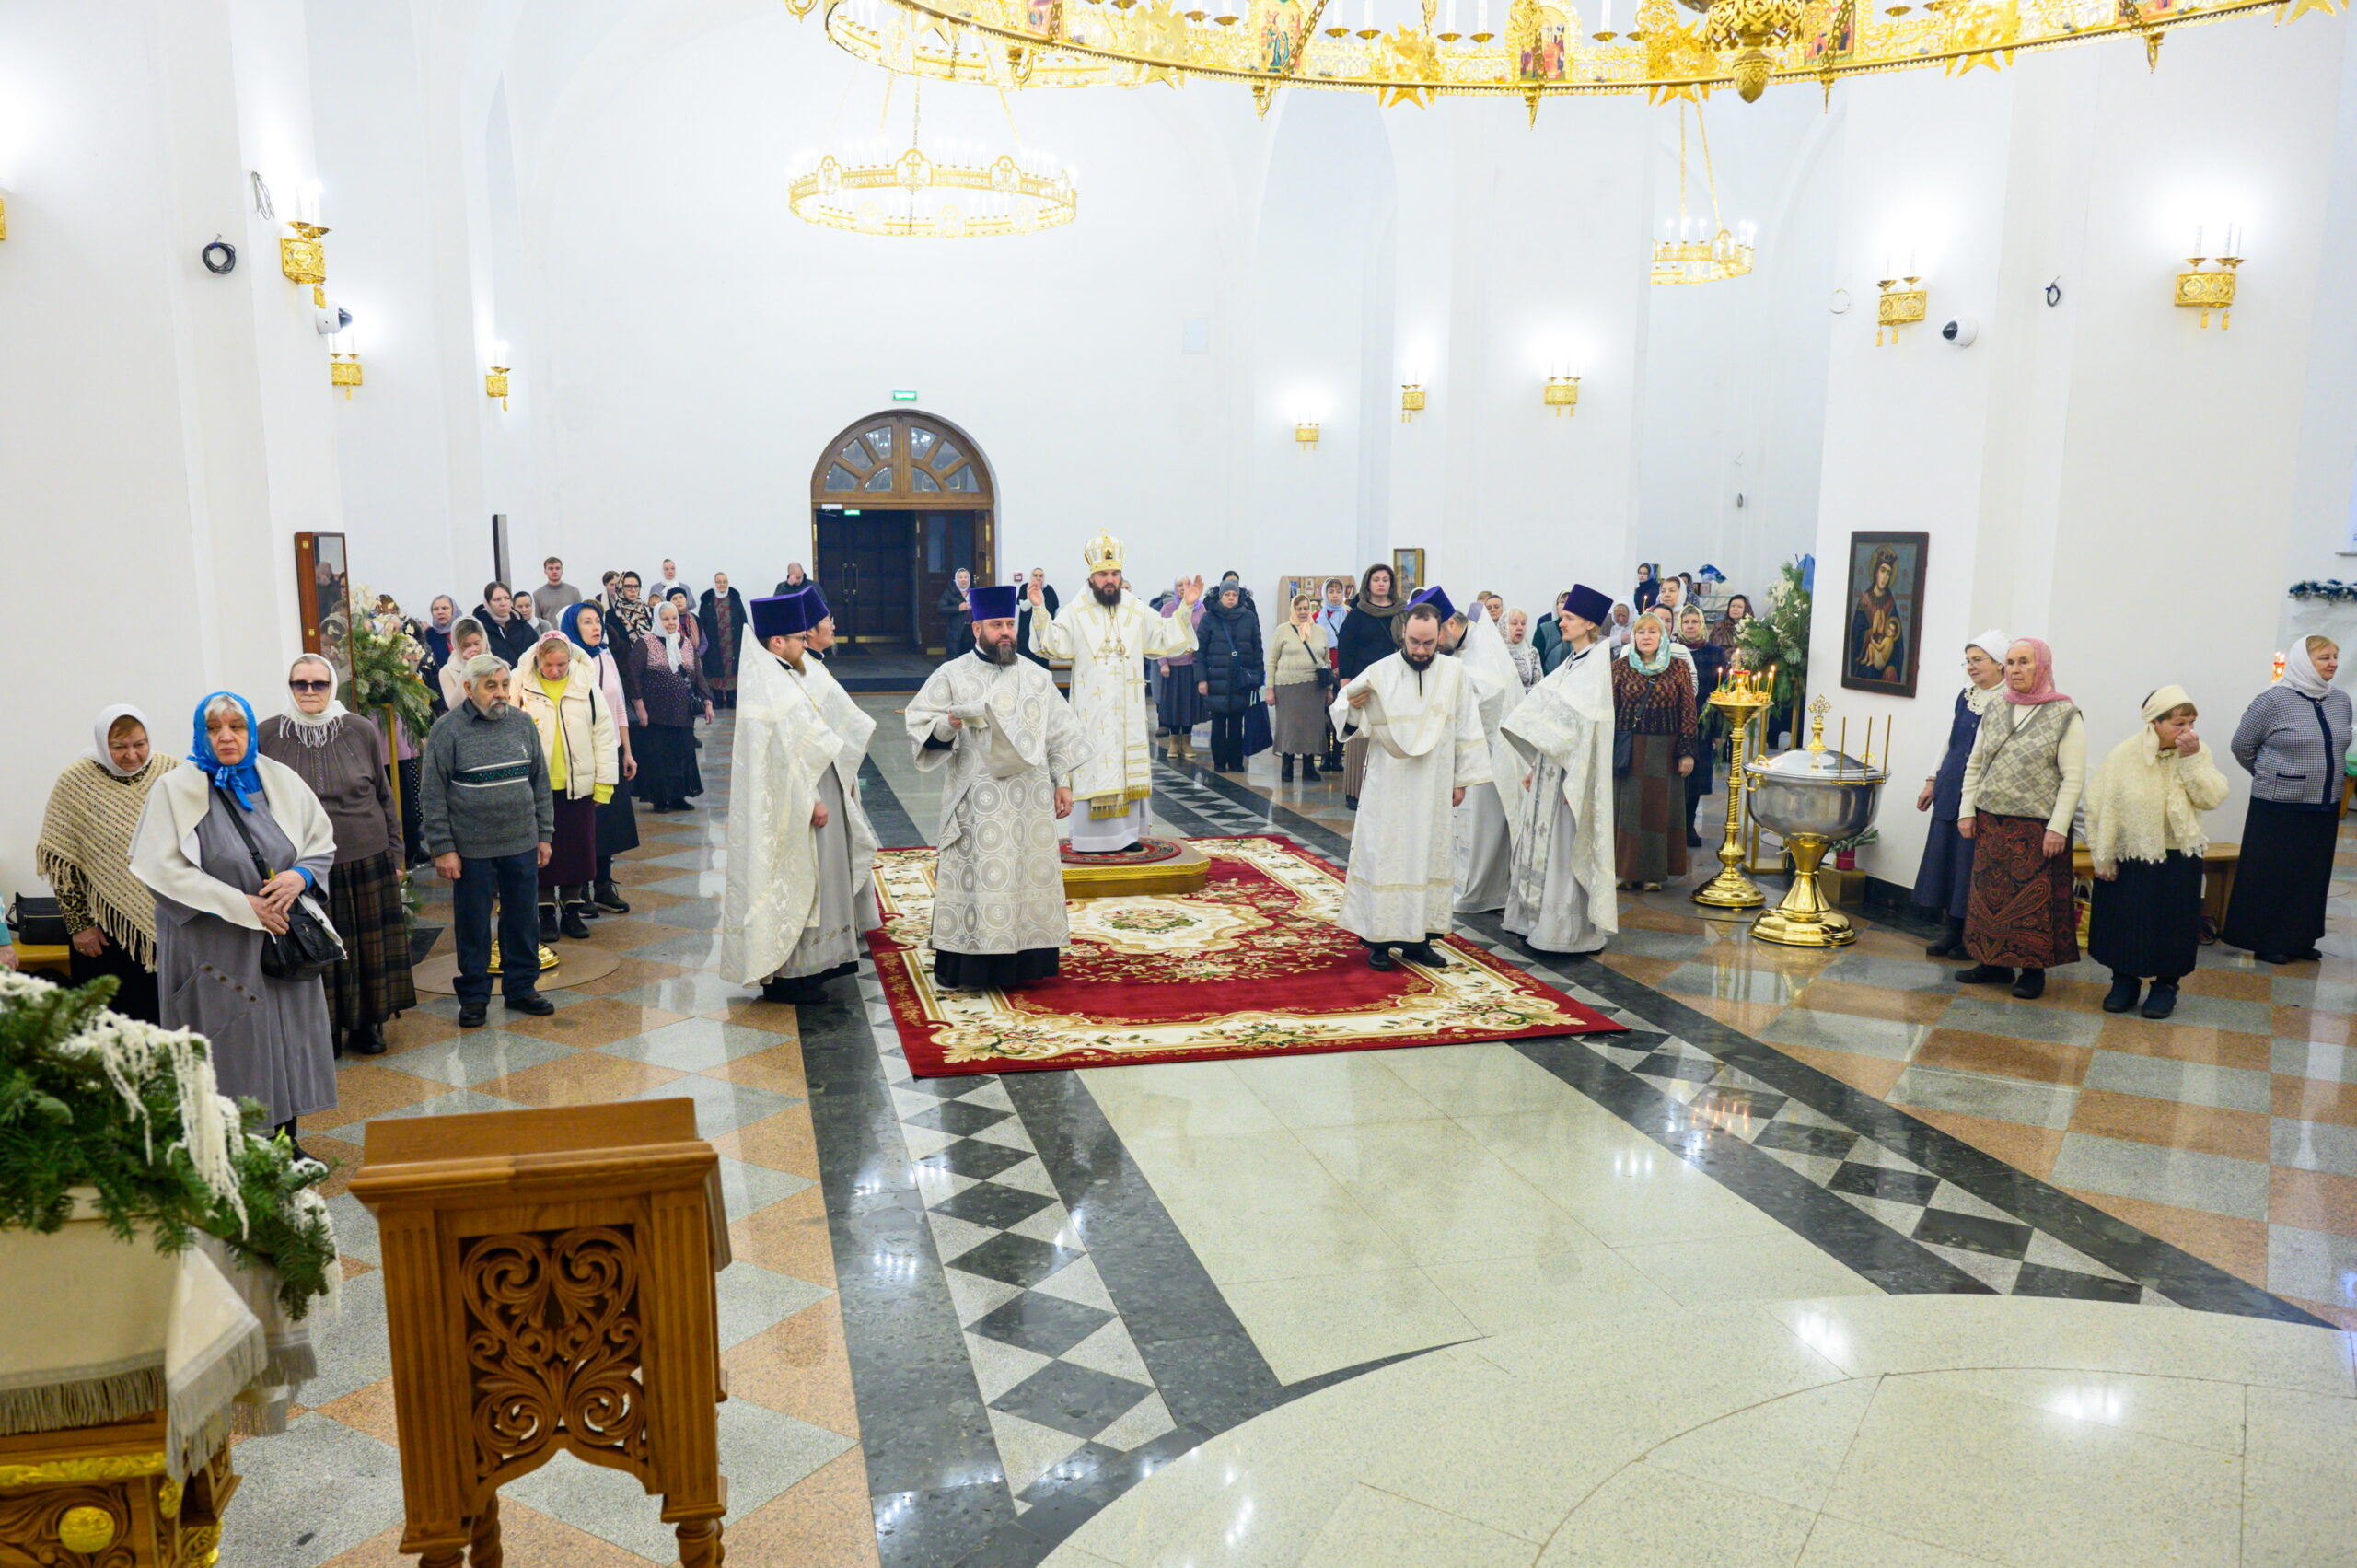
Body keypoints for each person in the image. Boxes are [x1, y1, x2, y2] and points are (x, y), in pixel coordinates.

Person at [130, 692, 337, 1148]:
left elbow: (319, 842)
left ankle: (286, 1141)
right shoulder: (174, 790)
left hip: (280, 940)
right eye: (214, 728)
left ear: (250, 731)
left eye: (236, 726)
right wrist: (243, 906)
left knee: (287, 1039)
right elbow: (160, 871)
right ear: (200, 734)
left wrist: (299, 877)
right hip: (214, 948)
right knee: (235, 1046)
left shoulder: (279, 779)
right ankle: (235, 1151)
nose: (226, 737)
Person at [908, 584, 1089, 989]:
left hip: (1029, 802)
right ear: (977, 629)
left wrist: (1063, 782)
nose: (1006, 632)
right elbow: (920, 723)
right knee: (982, 877)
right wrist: (948, 724)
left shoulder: (1037, 677)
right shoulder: (952, 674)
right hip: (977, 803)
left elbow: (1061, 733)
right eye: (996, 625)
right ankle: (973, 966)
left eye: (1010, 624)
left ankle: (1027, 964)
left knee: (1025, 874)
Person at [725, 590, 882, 1005]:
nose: (804, 643)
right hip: (794, 803)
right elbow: (783, 756)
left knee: (819, 878)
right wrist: (811, 799)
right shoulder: (770, 686)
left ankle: (817, 966)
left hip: (813, 787)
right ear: (778, 641)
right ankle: (792, 976)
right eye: (798, 638)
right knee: (796, 881)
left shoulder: (786, 673)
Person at [255, 656, 417, 1056]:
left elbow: (383, 795)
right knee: (316, 945)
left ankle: (367, 1024)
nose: (310, 692)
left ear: (332, 687)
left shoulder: (360, 729)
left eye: (319, 684)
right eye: (301, 684)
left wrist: (397, 854)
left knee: (366, 948)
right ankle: (323, 1028)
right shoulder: (268, 734)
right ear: (290, 687)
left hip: (366, 856)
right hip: (304, 865)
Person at [1330, 598, 1491, 969]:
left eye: (1428, 643)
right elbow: (1343, 709)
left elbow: (1466, 725)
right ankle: (1379, 941)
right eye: (1414, 642)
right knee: (1387, 855)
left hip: (1434, 783)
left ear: (1439, 637)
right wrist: (1355, 705)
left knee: (1428, 855)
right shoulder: (1381, 671)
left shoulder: (1454, 673)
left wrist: (1461, 779)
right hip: (1390, 785)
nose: (1420, 650)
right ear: (1403, 634)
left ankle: (1420, 941)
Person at [1025, 534, 1202, 851]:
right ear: (1092, 577)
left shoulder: (1134, 608)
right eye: (1104, 574)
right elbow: (1053, 643)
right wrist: (1039, 610)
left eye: (1115, 573)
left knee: (1125, 766)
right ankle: (1091, 839)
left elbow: (1165, 636)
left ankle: (1126, 836)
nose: (1110, 580)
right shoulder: (1077, 610)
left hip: (1128, 711)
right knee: (1093, 765)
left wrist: (1186, 607)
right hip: (1091, 712)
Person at [422, 656, 556, 1027]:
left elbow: (540, 783)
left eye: (504, 685)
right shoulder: (447, 729)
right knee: (473, 923)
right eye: (491, 686)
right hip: (471, 847)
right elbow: (432, 793)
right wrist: (443, 847)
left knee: (523, 919)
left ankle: (522, 988)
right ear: (468, 688)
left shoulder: (522, 723)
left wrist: (544, 835)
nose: (500, 693)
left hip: (521, 840)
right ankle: (474, 997)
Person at [2085, 686, 2228, 1020]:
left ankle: (2166, 987)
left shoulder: (2197, 752)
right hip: (2132, 853)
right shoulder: (2124, 754)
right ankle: (2124, 982)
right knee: (2127, 920)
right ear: (2154, 722)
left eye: (2192, 722)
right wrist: (2103, 855)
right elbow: (2100, 805)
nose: (2188, 731)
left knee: (2173, 923)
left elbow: (2211, 798)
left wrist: (2191, 760)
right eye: (2179, 723)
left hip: (2180, 855)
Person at [1955, 638, 2084, 999]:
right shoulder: (1996, 706)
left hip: (2037, 827)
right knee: (1989, 898)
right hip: (1992, 823)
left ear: (2042, 666)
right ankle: (1992, 963)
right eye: (2010, 662)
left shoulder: (2065, 714)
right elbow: (1976, 762)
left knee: (2032, 905)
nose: (2015, 670)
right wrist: (1967, 810)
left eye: (2024, 662)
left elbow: (2073, 777)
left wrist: (2058, 827)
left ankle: (2032, 971)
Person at [37, 705, 180, 1022]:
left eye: (140, 744)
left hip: (171, 921)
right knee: (113, 1023)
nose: (132, 755)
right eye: (119, 746)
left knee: (170, 1020)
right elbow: (62, 862)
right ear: (103, 743)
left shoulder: (172, 773)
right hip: (104, 931)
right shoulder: (76, 782)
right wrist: (79, 926)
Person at [2222, 635, 2353, 964]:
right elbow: (2242, 746)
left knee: (2310, 876)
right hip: (2278, 805)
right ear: (2303, 662)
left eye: (2335, 656)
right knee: (2273, 875)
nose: (2333, 663)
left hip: (2324, 804)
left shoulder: (2340, 700)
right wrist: (2272, 776)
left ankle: (2299, 939)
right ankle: (2266, 941)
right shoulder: (2273, 700)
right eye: (2324, 657)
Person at [1503, 585, 1619, 956]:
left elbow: (1583, 726)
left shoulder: (1596, 664)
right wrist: (1536, 763)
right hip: (1550, 769)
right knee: (1542, 845)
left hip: (1572, 775)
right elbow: (1546, 711)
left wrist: (1576, 775)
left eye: (1568, 618)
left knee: (1563, 848)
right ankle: (1535, 920)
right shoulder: (1572, 661)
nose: (1561, 623)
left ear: (1589, 623)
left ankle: (1564, 930)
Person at [1911, 631, 2010, 958]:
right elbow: (1951, 739)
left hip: (1982, 792)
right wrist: (1932, 779)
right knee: (1947, 860)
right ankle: (1951, 930)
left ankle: (1972, 934)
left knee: (1970, 863)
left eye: (1978, 660)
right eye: (1968, 661)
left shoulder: (2010, 700)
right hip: (1952, 783)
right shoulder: (1967, 695)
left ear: (2000, 663)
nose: (1971, 666)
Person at [516, 633, 619, 943]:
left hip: (578, 786)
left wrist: (604, 784)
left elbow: (603, 734)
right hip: (537, 789)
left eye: (562, 664)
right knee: (542, 854)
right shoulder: (520, 684)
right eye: (549, 665)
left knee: (577, 852)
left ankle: (572, 910)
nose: (555, 671)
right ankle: (545, 913)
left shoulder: (586, 684)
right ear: (538, 660)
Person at [559, 602, 639, 914]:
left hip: (611, 749)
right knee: (583, 823)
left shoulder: (606, 655)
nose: (595, 627)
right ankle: (579, 890)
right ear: (573, 626)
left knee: (610, 822)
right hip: (580, 753)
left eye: (597, 621)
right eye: (587, 622)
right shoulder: (567, 661)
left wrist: (627, 750)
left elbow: (618, 705)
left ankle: (604, 885)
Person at [1613, 613, 1697, 890]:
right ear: (1633, 637)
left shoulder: (1678, 667)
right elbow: (1610, 709)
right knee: (1628, 812)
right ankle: (1625, 871)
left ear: (1662, 636)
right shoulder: (1620, 667)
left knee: (1657, 812)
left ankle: (1653, 873)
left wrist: (1686, 752)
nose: (1646, 637)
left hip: (1665, 750)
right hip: (1631, 750)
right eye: (1641, 632)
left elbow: (1688, 710)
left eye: (1652, 631)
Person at [1453, 598, 1523, 915]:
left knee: (1485, 826)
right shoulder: (1465, 656)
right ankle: (1469, 884)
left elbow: (1485, 699)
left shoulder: (1483, 664)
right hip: (1473, 755)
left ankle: (1483, 890)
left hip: (1489, 758)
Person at [1335, 562, 1408, 808]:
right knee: (1360, 736)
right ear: (1368, 583)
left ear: (1391, 584)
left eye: (1385, 580)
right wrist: (1346, 683)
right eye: (1376, 580)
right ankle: (1355, 791)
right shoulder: (1358, 614)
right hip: (1363, 683)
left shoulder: (1402, 612)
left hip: (1395, 683)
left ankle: (1387, 789)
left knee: (1390, 736)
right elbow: (1346, 648)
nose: (1381, 584)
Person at [631, 598, 713, 811]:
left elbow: (698, 674)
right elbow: (634, 676)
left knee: (682, 753)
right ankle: (660, 798)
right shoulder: (645, 643)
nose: (671, 622)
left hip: (682, 711)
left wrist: (707, 702)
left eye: (674, 618)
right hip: (656, 712)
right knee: (659, 755)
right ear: (657, 620)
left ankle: (678, 796)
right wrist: (639, 706)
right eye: (666, 619)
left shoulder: (685, 643)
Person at [1197, 582, 1265, 772]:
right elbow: (1199, 651)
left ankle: (1236, 761)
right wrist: (1201, 678)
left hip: (1240, 679)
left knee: (1237, 722)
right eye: (1227, 594)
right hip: (1215, 678)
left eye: (1234, 595)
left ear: (1239, 597)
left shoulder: (1249, 617)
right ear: (1220, 596)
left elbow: (1257, 649)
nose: (1230, 598)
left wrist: (1258, 676)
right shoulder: (1209, 618)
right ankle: (1219, 762)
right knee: (1218, 723)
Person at [1675, 604, 1727, 849]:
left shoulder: (1714, 653)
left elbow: (1722, 693)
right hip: (1674, 722)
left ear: (1702, 625)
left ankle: (1689, 826)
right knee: (1676, 775)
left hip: (1703, 723)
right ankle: (1674, 825)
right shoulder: (1673, 651)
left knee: (1695, 779)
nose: (1690, 626)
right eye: (1686, 622)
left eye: (1695, 622)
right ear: (1680, 625)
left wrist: (1718, 731)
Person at [1271, 594, 1332, 782]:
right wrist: (1269, 689)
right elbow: (1272, 661)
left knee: (1311, 727)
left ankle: (1309, 767)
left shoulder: (1320, 631)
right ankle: (1287, 766)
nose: (1303, 612)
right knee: (1289, 727)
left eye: (1306, 608)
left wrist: (1329, 688)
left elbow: (1327, 661)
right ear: (1293, 610)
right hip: (1287, 686)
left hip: (1314, 687)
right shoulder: (1282, 630)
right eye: (1299, 609)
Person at [1155, 585, 1207, 761]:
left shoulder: (1200, 608)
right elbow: (1160, 636)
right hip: (1172, 666)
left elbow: (1203, 636)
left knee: (1188, 705)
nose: (1183, 588)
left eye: (1186, 585)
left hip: (1192, 664)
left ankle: (1187, 741)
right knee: (1173, 704)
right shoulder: (1168, 608)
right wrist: (1163, 662)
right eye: (1179, 585)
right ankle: (1174, 742)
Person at [1849, 547, 1906, 684]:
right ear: (1875, 572)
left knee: (1890, 672)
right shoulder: (1865, 600)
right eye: (1883, 571)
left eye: (1889, 573)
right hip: (1867, 655)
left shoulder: (1890, 602)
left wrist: (1891, 662)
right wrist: (1870, 633)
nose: (1885, 577)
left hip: (1885, 657)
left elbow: (1897, 641)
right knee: (1867, 671)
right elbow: (1856, 635)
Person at [699, 572, 750, 711]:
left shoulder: (735, 599)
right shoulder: (707, 601)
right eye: (718, 581)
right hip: (714, 643)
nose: (722, 584)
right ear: (714, 583)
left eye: (724, 581)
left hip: (733, 642)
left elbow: (743, 620)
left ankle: (732, 697)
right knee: (715, 668)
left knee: (732, 669)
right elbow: (701, 623)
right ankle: (718, 697)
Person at [475, 581, 539, 665]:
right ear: (488, 603)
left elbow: (538, 655)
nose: (503, 603)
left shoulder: (523, 626)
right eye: (497, 600)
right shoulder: (479, 629)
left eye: (507, 598)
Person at [419, 595, 460, 714]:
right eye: (436, 609)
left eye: (445, 608)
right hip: (441, 695)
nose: (440, 612)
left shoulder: (463, 632)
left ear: (454, 610)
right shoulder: (428, 635)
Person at [1016, 567, 1062, 670]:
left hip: (1043, 633)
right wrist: (1034, 595)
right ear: (1031, 577)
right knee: (1025, 663)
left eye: (1041, 576)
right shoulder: (1025, 588)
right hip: (1026, 632)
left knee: (1042, 663)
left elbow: (1056, 609)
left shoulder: (1049, 590)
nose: (1038, 578)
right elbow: (1023, 607)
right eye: (1035, 575)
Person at [437, 619, 488, 711]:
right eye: (466, 645)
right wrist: (466, 668)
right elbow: (453, 706)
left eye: (477, 643)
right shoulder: (447, 671)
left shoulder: (496, 664)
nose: (473, 649)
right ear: (457, 645)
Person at [937, 567, 976, 659]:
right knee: (955, 657)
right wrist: (958, 608)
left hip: (972, 629)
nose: (963, 580)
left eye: (966, 577)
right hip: (956, 629)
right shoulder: (950, 592)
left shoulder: (975, 592)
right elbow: (941, 609)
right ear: (956, 579)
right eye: (960, 577)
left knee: (971, 657)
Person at [1502, 609, 1541, 689]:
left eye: (1523, 624)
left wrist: (1519, 693)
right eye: (1514, 623)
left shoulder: (1532, 652)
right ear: (1504, 627)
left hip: (1528, 697)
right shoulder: (1496, 651)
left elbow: (1539, 685)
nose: (1520, 628)